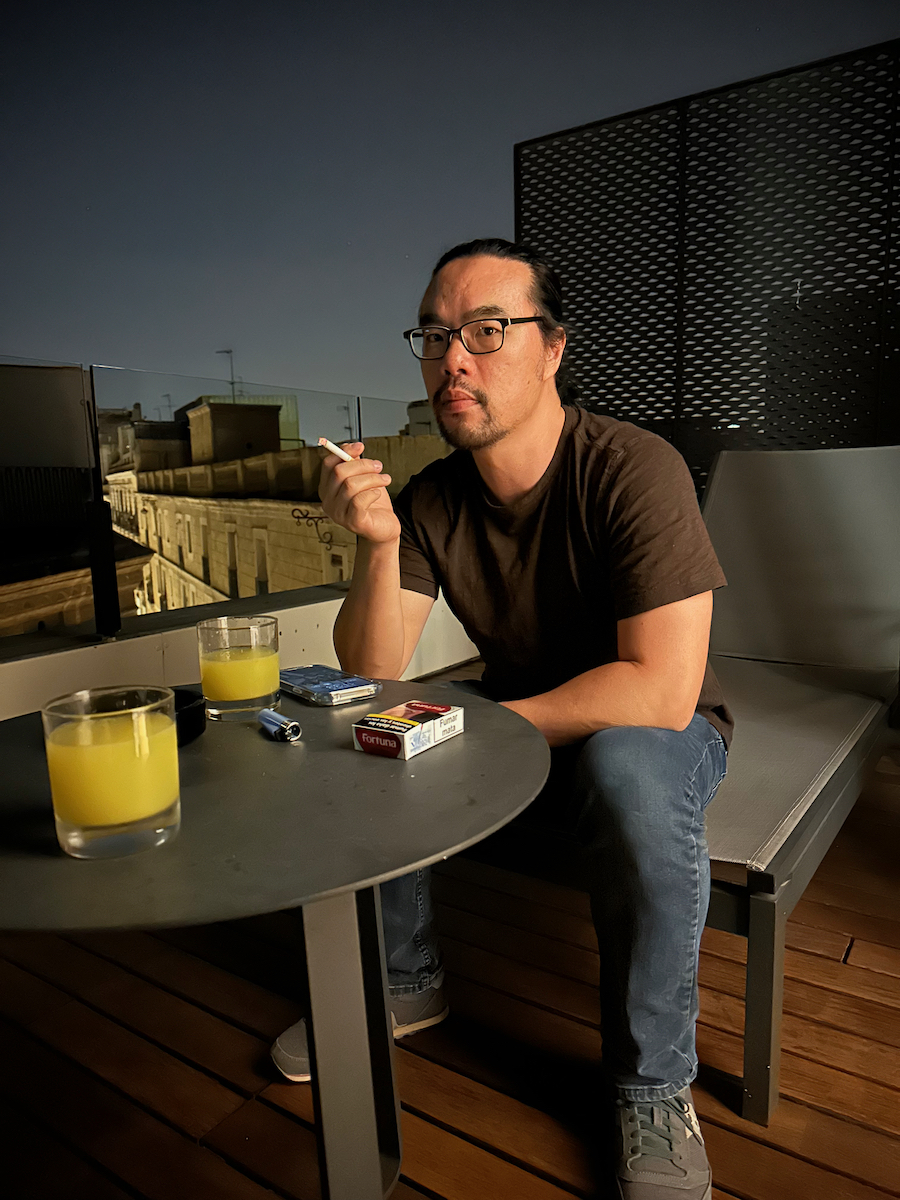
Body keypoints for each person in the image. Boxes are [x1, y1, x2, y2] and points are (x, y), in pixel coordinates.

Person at [272, 238, 731, 1200]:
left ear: (553, 348)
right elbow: (367, 673)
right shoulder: (434, 498)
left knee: (628, 769)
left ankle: (654, 1086)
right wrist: (377, 545)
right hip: (530, 712)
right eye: (435, 337)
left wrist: (475, 728)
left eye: (486, 331)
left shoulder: (632, 467)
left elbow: (660, 691)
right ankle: (404, 980)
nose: (453, 360)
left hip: (653, 729)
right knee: (379, 732)